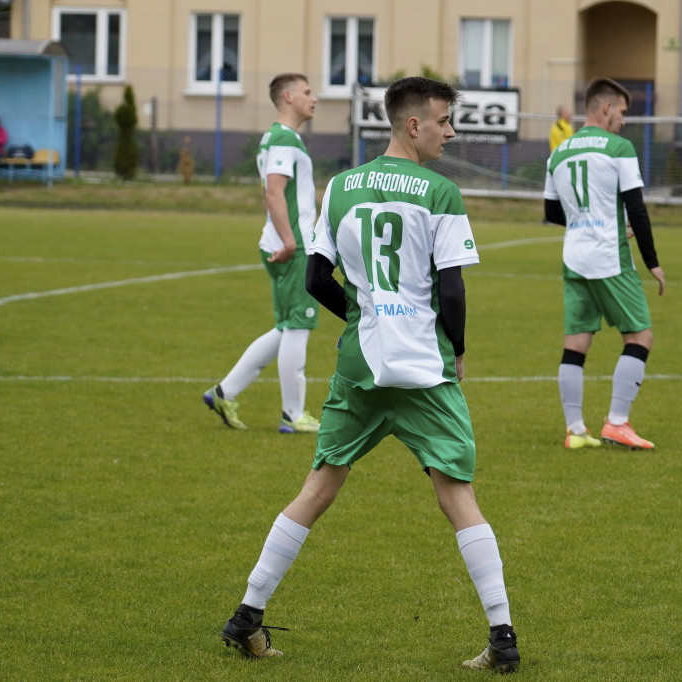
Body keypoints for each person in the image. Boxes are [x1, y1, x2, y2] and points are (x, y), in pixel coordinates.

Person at [219, 77, 520, 673]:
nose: (450, 132)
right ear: (414, 125)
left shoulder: (341, 188)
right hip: (424, 367)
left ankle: (245, 618)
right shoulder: (441, 192)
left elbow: (314, 279)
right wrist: (456, 348)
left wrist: (362, 315)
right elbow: (452, 287)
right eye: (444, 121)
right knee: (457, 496)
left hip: (361, 361)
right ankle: (503, 638)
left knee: (319, 487)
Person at [544, 77, 664, 451]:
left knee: (576, 343)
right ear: (606, 108)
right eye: (623, 112)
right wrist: (652, 262)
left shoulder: (558, 153)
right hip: (609, 257)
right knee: (640, 336)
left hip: (574, 256)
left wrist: (584, 222)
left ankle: (575, 430)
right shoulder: (619, 147)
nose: (624, 121)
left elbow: (551, 212)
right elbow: (636, 208)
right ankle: (616, 422)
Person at [202, 73, 320, 434]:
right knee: (298, 325)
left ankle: (225, 391)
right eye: (307, 91)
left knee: (287, 327)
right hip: (292, 246)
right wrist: (289, 242)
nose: (314, 98)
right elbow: (273, 193)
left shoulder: (279, 138)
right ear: (287, 96)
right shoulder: (284, 140)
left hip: (285, 242)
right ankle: (293, 414)